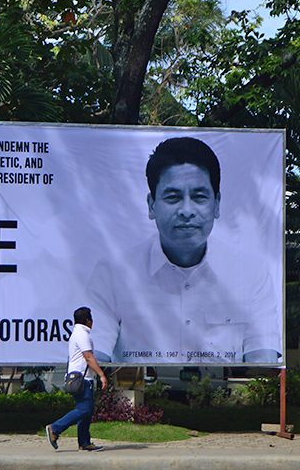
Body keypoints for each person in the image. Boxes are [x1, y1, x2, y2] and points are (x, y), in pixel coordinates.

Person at [87, 136, 279, 364]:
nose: (186, 211)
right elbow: (94, 356)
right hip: (139, 400)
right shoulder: (113, 273)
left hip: (223, 400)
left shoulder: (252, 274)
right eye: (173, 197)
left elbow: (263, 362)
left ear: (216, 204)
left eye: (199, 197)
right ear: (151, 205)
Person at [45, 306, 107, 452]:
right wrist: (101, 375)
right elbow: (88, 357)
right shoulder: (82, 334)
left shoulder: (77, 333)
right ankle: (55, 428)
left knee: (87, 410)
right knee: (84, 410)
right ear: (88, 320)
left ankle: (84, 442)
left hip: (81, 378)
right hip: (82, 379)